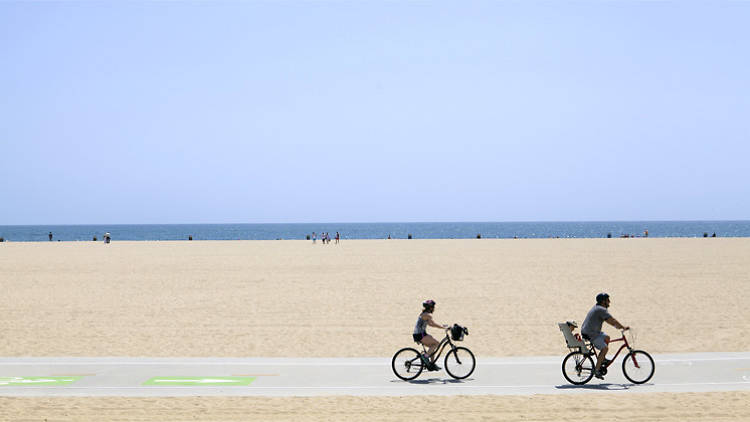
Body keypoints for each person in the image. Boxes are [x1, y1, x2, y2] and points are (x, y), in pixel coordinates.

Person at [581, 293, 629, 379]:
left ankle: (602, 358)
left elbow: (611, 321)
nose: (609, 302)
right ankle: (596, 370)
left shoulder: (598, 308)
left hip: (591, 331)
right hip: (591, 334)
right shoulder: (601, 310)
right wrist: (622, 327)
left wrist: (618, 326)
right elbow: (611, 321)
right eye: (607, 300)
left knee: (607, 338)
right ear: (603, 301)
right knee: (605, 348)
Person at [413, 299, 450, 371]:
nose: (434, 308)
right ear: (430, 308)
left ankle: (431, 364)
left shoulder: (424, 314)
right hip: (420, 335)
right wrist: (443, 327)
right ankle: (425, 357)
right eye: (433, 307)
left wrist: (443, 326)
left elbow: (431, 324)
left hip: (421, 333)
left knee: (432, 345)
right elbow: (432, 324)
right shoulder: (427, 315)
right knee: (436, 343)